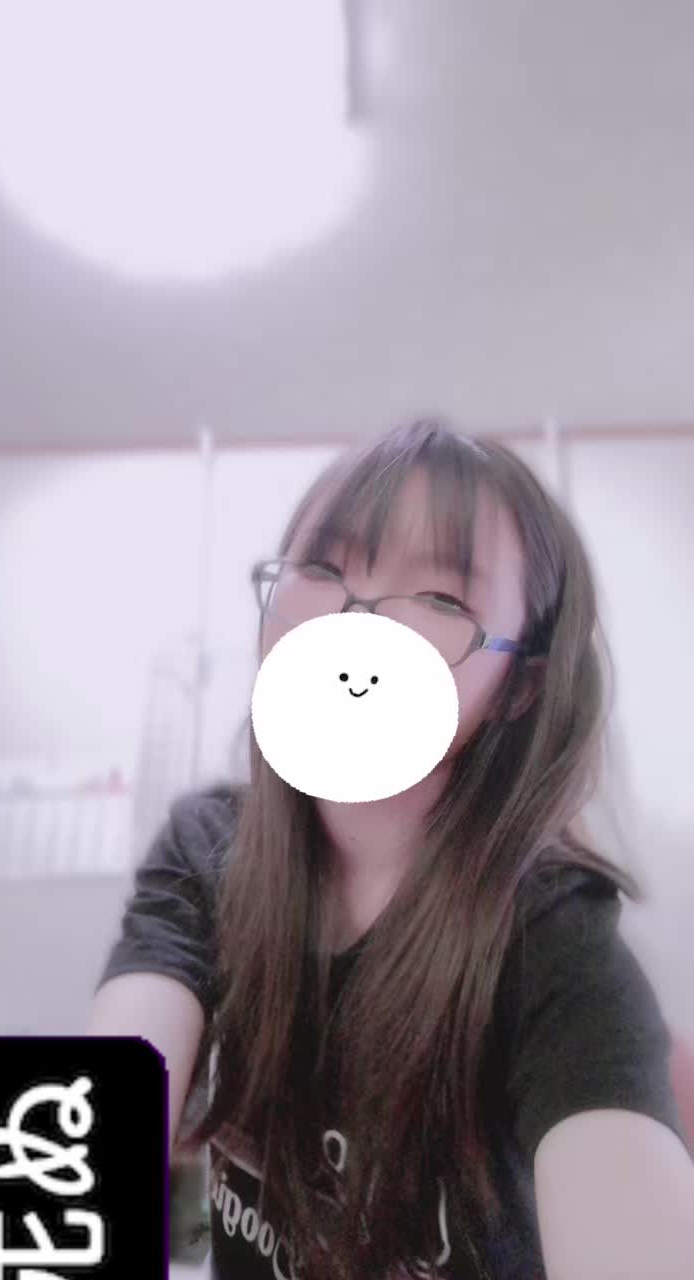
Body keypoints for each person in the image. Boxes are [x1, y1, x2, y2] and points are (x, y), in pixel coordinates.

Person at [87, 420, 693, 1280]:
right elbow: (95, 1118)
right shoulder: (208, 848)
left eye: (440, 598)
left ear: (519, 685)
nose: (354, 623)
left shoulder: (555, 940)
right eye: (322, 569)